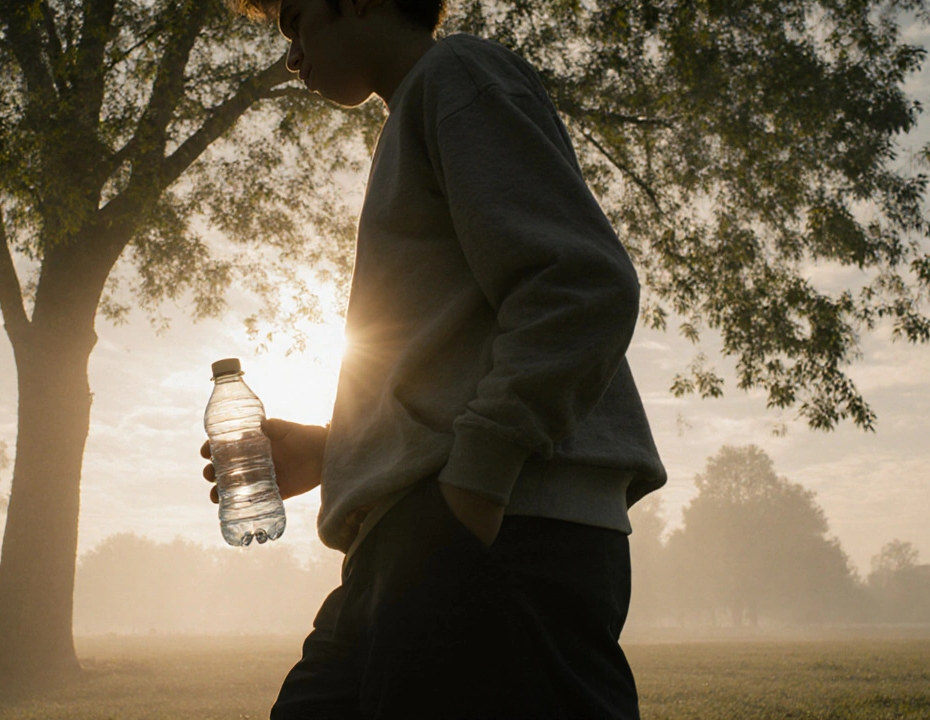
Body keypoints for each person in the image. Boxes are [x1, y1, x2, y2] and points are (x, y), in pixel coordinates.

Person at [200, 0, 667, 716]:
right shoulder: (421, 108)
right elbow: (451, 354)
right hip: (417, 536)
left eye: (296, 22)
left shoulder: (459, 76)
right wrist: (338, 453)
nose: (291, 58)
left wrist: (472, 492)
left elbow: (580, 287)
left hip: (504, 534)